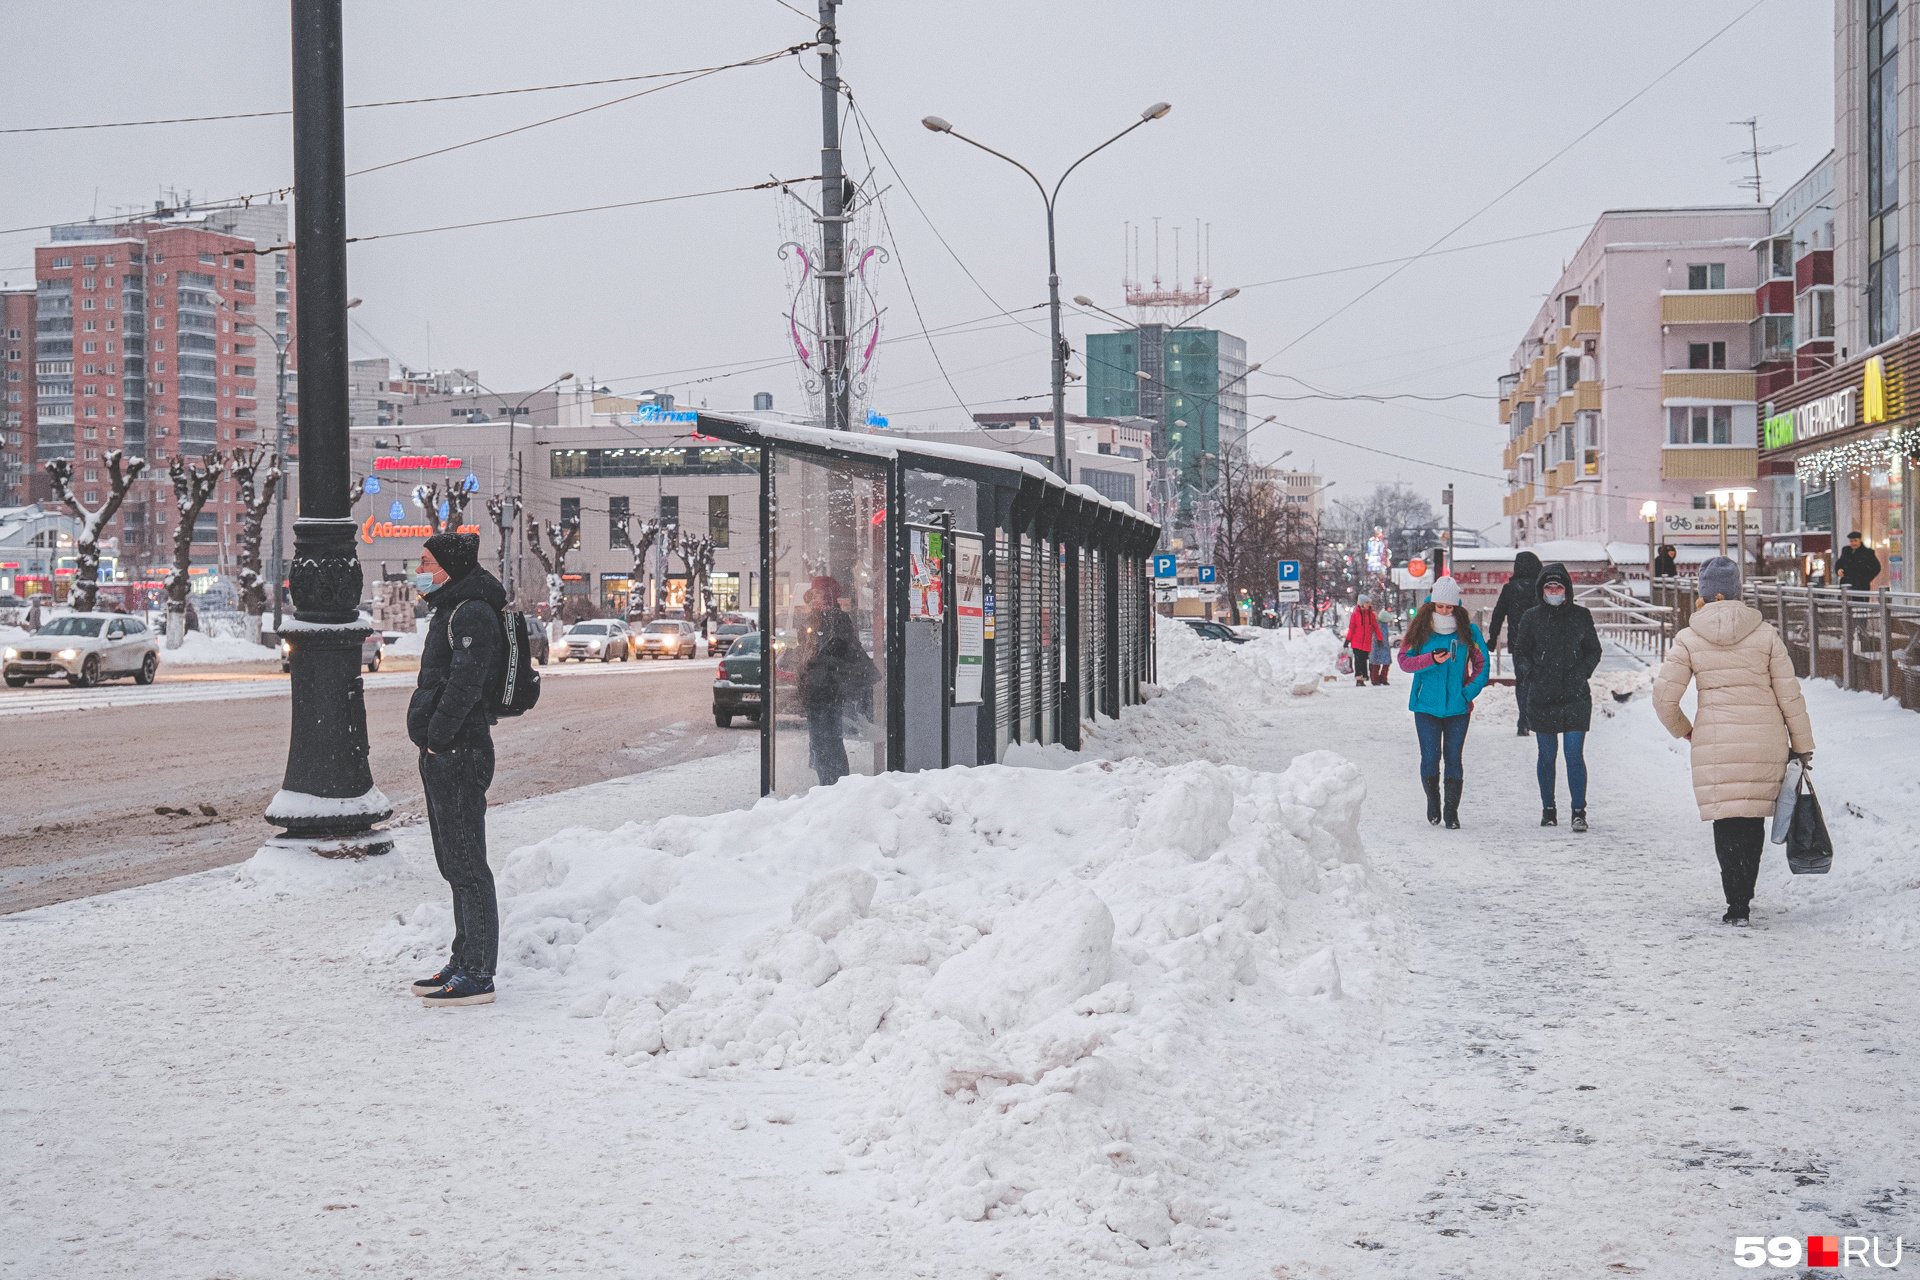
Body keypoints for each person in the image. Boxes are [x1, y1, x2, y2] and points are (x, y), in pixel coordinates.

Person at [1652, 556, 1814, 927]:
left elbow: (1663, 699)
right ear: (1739, 592)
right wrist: (1803, 746)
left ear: (1705, 596)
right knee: (1752, 819)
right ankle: (1746, 895)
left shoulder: (1689, 638)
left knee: (1726, 820)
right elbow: (1790, 695)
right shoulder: (1765, 634)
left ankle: (1735, 902)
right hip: (1764, 739)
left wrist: (1686, 729)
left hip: (1717, 741)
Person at [406, 531, 508, 1006]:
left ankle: (479, 973)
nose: (420, 570)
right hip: (445, 752)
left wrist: (438, 736)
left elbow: (466, 685)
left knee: (468, 863)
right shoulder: (451, 608)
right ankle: (463, 957)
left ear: (448, 565)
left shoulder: (471, 612)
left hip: (460, 752)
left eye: (426, 562)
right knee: (453, 863)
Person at [1510, 564, 1603, 831]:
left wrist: (1582, 672)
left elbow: (1593, 650)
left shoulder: (1581, 616)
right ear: (1541, 590)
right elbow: (1521, 651)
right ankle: (1548, 808)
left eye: (1558, 587)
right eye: (1549, 587)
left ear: (1567, 590)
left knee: (1574, 754)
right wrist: (1533, 674)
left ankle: (1578, 811)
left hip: (1575, 696)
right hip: (1542, 695)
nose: (1553, 591)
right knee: (1547, 755)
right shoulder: (1531, 618)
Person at [1397, 576, 1490, 829]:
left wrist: (1467, 693)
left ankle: (1451, 811)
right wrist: (1430, 659)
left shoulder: (1469, 632)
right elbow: (1404, 661)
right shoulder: (1420, 629)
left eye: (1450, 607)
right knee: (1430, 757)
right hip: (1425, 706)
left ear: (1457, 606)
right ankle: (1433, 799)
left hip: (1458, 707)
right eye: (1440, 606)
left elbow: (1482, 666)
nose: (1445, 611)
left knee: (1453, 758)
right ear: (1433, 604)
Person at [798, 576, 868, 787]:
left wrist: (816, 660)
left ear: (829, 596)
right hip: (814, 690)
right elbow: (807, 649)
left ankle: (836, 786)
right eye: (813, 596)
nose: (815, 600)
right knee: (818, 744)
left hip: (828, 690)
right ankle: (826, 785)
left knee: (829, 742)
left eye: (819, 594)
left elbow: (838, 653)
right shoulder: (814, 618)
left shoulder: (837, 619)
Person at [1486, 549, 1543, 736]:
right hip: (1541, 642)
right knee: (1540, 680)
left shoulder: (1510, 588)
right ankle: (1537, 717)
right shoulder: (1541, 587)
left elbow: (1498, 614)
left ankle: (1523, 720)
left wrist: (1493, 638)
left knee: (1522, 681)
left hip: (1518, 642)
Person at [1344, 594, 1386, 689]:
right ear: (1362, 604)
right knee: (1358, 661)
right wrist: (1348, 640)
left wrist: (1379, 638)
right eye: (1367, 603)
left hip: (1366, 643)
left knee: (1364, 661)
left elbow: (1375, 628)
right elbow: (1352, 629)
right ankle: (1359, 679)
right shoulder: (1355, 615)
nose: (1368, 604)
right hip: (1356, 642)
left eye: (1369, 603)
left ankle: (1363, 677)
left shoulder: (1371, 615)